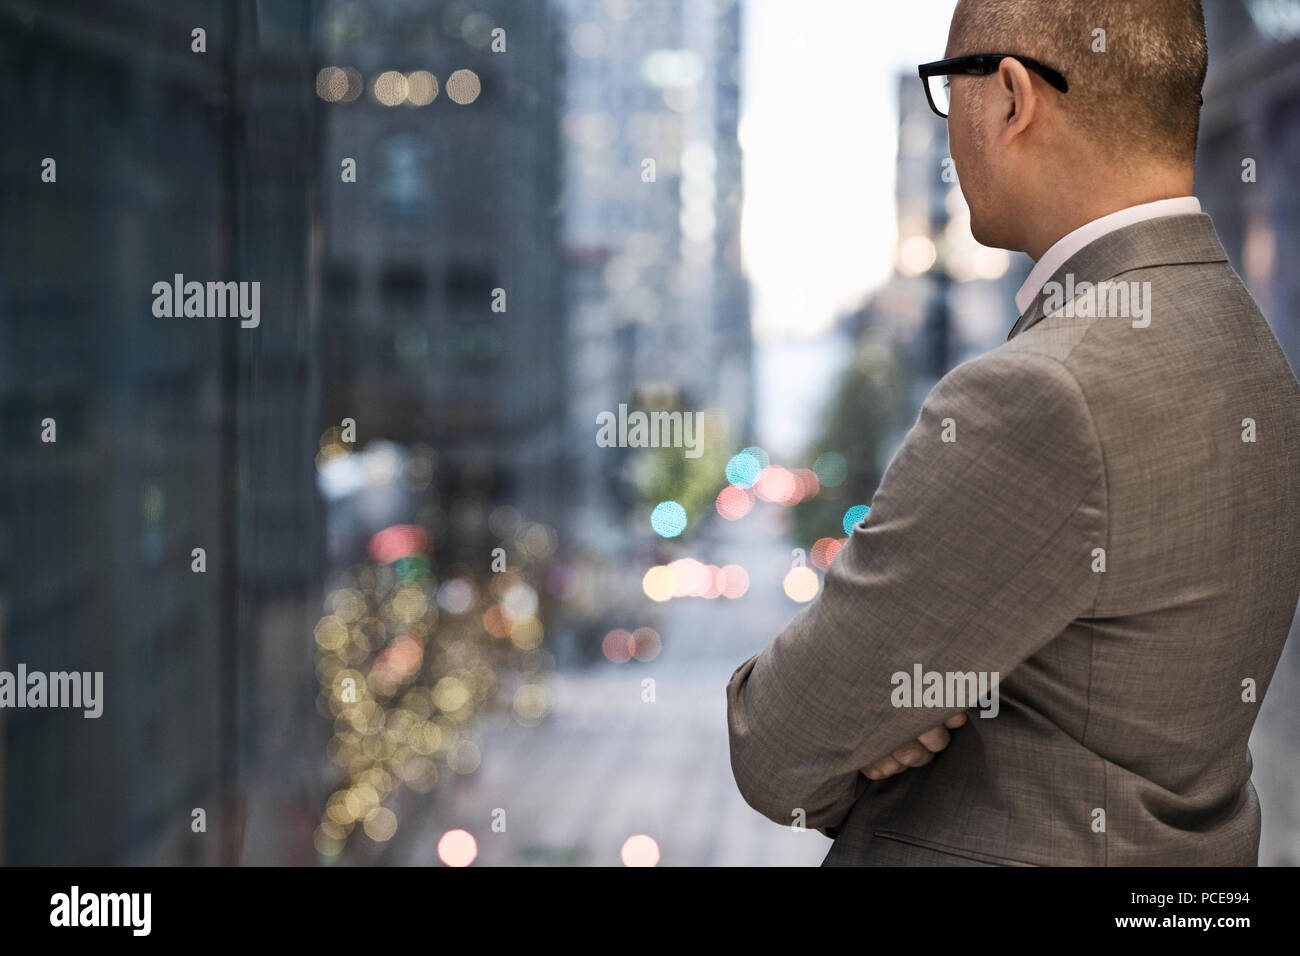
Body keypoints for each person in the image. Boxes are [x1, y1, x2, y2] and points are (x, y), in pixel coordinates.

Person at [726, 0, 1300, 865]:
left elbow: (778, 743)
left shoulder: (1042, 394)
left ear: (1009, 97)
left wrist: (887, 730)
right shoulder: (1249, 348)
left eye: (946, 88)